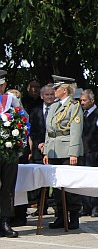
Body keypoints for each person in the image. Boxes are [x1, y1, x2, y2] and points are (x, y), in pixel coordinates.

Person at [43, 76, 84, 230]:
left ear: (64, 89)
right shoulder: (54, 106)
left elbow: (75, 131)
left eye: (56, 88)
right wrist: (47, 151)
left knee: (71, 186)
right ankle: (61, 215)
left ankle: (73, 216)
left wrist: (73, 153)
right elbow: (49, 130)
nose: (54, 91)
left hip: (67, 150)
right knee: (57, 186)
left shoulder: (74, 106)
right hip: (54, 149)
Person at [79, 89, 98, 217]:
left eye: (84, 100)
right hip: (83, 151)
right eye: (81, 100)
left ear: (92, 100)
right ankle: (86, 206)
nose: (82, 103)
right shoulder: (81, 114)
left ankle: (96, 207)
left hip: (94, 150)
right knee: (83, 180)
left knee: (95, 180)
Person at [0, 70, 23, 238]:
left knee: (8, 186)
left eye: (1, 83)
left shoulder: (11, 99)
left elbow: (23, 118)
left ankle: (5, 221)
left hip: (9, 150)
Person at [27, 85, 55, 217]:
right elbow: (32, 131)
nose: (50, 97)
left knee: (54, 178)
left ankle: (58, 207)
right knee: (38, 177)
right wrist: (39, 144)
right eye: (47, 95)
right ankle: (41, 206)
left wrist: (48, 144)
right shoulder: (35, 111)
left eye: (52, 94)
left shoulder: (58, 109)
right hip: (38, 149)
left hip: (54, 148)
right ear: (42, 96)